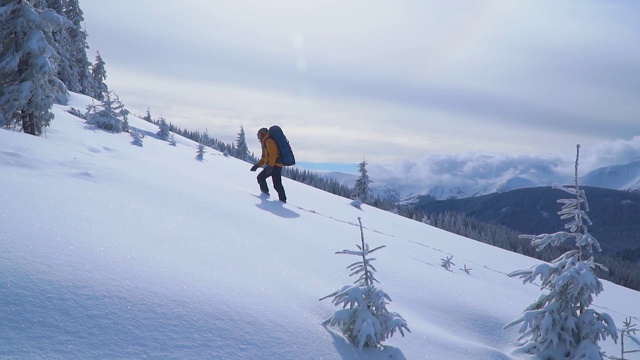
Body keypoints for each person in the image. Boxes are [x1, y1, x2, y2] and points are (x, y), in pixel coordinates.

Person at [250, 128, 287, 203]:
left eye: (259, 134)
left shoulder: (269, 141)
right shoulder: (265, 142)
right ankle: (283, 200)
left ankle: (265, 195)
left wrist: (270, 166)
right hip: (277, 165)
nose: (258, 136)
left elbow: (273, 155)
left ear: (263, 134)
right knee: (277, 184)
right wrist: (257, 166)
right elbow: (265, 158)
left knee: (260, 177)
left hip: (275, 165)